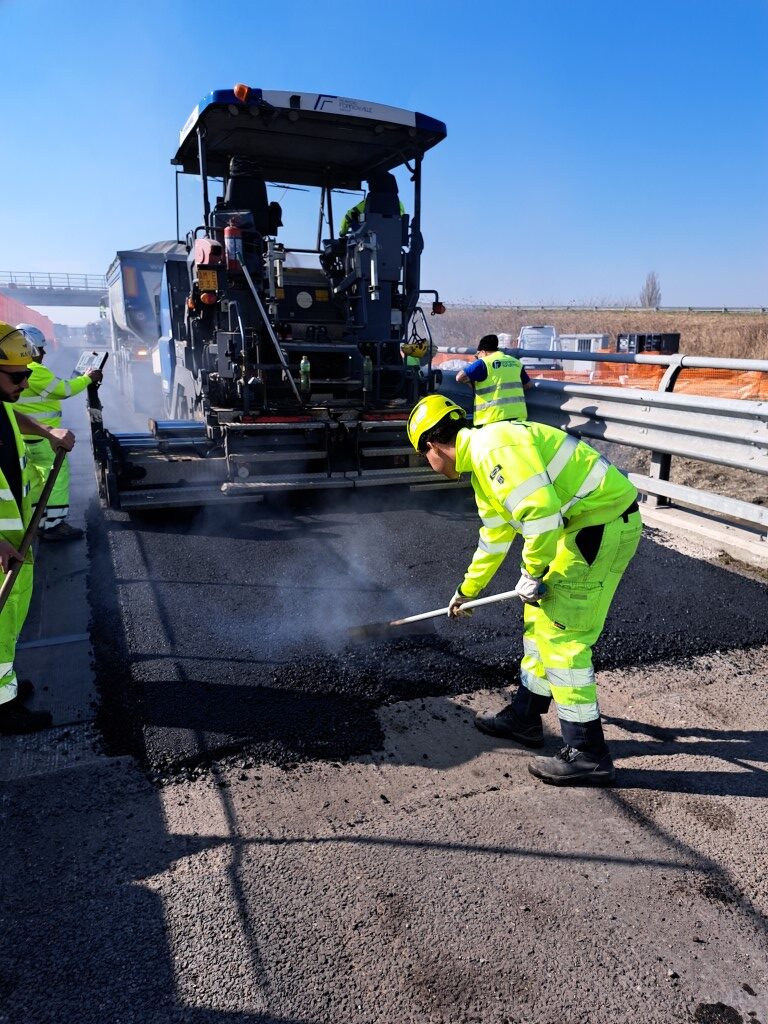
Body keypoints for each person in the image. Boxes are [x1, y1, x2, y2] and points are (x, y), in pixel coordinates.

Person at [406, 394, 642, 785]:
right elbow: (494, 538)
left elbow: (541, 515)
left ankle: (588, 754)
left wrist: (532, 571)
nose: (428, 464)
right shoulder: (483, 463)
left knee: (562, 638)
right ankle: (525, 716)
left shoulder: (494, 450)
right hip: (580, 526)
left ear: (432, 445)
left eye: (422, 457)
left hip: (601, 525)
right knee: (538, 622)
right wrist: (468, 590)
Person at [0, 323, 75, 735]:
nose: (25, 384)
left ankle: (5, 691)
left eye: (27, 374)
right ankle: (2, 710)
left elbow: (12, 416)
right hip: (1, 547)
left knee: (9, 622)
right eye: (17, 377)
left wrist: (47, 431)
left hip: (15, 542)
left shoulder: (2, 404)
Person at [15, 323, 101, 541]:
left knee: (34, 480)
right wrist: (88, 378)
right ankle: (54, 526)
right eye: (40, 349)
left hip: (24, 438)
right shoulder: (34, 370)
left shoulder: (15, 371)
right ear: (30, 348)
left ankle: (37, 522)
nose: (44, 353)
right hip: (44, 438)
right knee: (56, 478)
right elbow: (64, 389)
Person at [455, 334, 532, 424]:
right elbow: (528, 385)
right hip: (518, 416)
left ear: (483, 352)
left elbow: (459, 377)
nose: (477, 358)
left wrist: (471, 382)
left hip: (493, 417)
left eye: (477, 355)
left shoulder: (483, 363)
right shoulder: (515, 362)